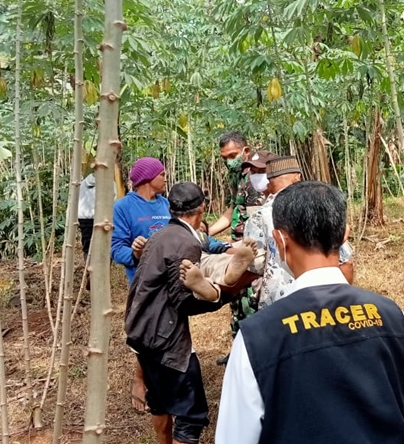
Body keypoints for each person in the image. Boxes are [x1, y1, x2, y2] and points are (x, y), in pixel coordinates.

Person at [215, 181, 404, 444]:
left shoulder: (256, 338)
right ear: (345, 234)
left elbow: (235, 437)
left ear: (280, 240)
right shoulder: (392, 316)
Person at [126, 182, 242, 444]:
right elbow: (183, 302)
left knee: (160, 403)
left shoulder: (160, 235)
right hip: (166, 338)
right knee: (191, 416)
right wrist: (221, 298)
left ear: (170, 208)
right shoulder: (186, 242)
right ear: (202, 207)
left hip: (141, 331)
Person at [244, 156, 355, 309]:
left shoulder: (258, 216)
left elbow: (254, 265)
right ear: (298, 179)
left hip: (278, 305)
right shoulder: (323, 208)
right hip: (328, 301)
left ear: (269, 184)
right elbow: (346, 263)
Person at [110, 157, 170, 412]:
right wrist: (134, 254)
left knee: (169, 329)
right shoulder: (123, 207)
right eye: (162, 174)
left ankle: (166, 380)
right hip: (143, 282)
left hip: (171, 280)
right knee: (145, 335)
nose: (166, 178)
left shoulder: (166, 203)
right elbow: (116, 249)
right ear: (147, 178)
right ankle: (139, 379)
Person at [208, 132, 269, 365]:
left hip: (253, 250)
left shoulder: (257, 175)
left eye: (232, 155)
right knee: (237, 300)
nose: (228, 161)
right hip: (238, 250)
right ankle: (238, 352)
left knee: (252, 300)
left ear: (246, 150)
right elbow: (232, 210)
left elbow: (258, 220)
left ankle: (255, 356)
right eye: (224, 157)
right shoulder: (235, 176)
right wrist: (207, 233)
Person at [78, 171, 117, 263]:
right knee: (105, 245)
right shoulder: (110, 183)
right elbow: (114, 201)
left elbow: (78, 201)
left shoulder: (82, 184)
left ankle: (89, 269)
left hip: (85, 218)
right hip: (104, 218)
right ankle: (103, 270)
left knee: (88, 246)